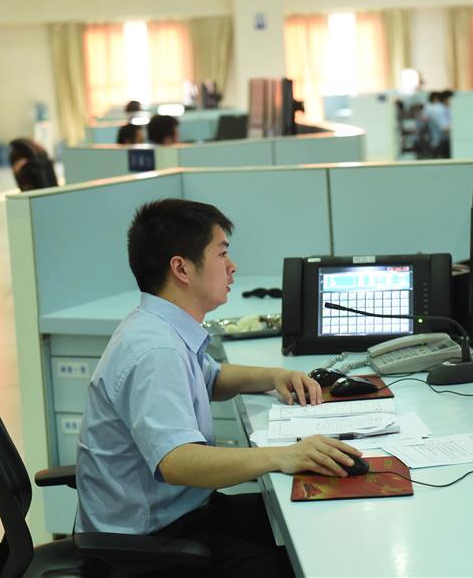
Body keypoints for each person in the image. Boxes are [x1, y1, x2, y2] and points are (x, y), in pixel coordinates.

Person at [75, 199, 360, 576]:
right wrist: (284, 455)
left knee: (313, 522)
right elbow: (178, 462)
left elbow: (213, 378)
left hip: (180, 514)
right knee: (299, 560)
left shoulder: (158, 325)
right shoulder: (156, 351)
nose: (232, 266)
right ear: (181, 268)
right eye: (222, 253)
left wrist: (274, 376)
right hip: (146, 548)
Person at [421, 90, 452, 159]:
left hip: (438, 143)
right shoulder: (438, 109)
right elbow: (445, 129)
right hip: (440, 144)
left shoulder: (432, 108)